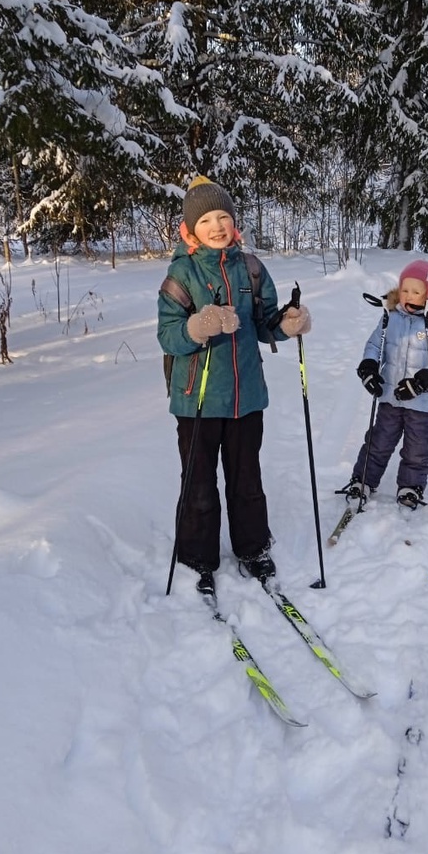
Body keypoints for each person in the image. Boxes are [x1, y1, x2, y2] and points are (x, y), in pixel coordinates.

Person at [157, 176, 310, 595]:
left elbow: (265, 325)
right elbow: (168, 335)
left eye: (224, 216)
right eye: (207, 219)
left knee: (247, 480)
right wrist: (198, 326)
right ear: (191, 228)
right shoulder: (181, 273)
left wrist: (288, 323)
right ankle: (196, 559)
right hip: (197, 402)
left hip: (247, 400)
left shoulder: (252, 269)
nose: (218, 225)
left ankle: (253, 549)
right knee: (199, 483)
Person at [340, 259, 428, 510]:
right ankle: (362, 480)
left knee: (417, 449)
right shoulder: (391, 317)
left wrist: (423, 381)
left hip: (425, 403)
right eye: (405, 289)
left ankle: (410, 486)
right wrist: (369, 368)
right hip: (391, 397)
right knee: (378, 441)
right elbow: (375, 345)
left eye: (416, 291)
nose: (408, 296)